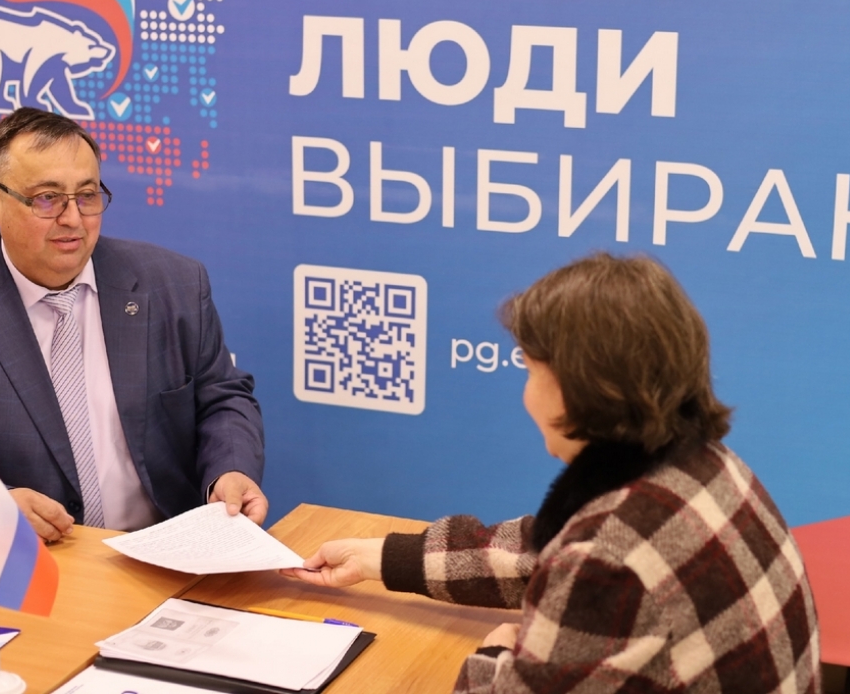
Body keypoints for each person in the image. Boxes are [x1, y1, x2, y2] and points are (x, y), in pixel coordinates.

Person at [283, 253, 820, 693]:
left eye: (529, 369)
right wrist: (382, 558)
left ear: (582, 388)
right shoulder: (709, 467)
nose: (525, 393)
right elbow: (546, 551)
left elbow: (581, 565)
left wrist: (495, 656)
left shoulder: (608, 559)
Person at [0, 107, 267, 541]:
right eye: (47, 198)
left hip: (166, 550)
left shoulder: (174, 284)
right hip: (34, 559)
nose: (72, 219)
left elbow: (222, 398)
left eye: (86, 195)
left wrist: (230, 469)